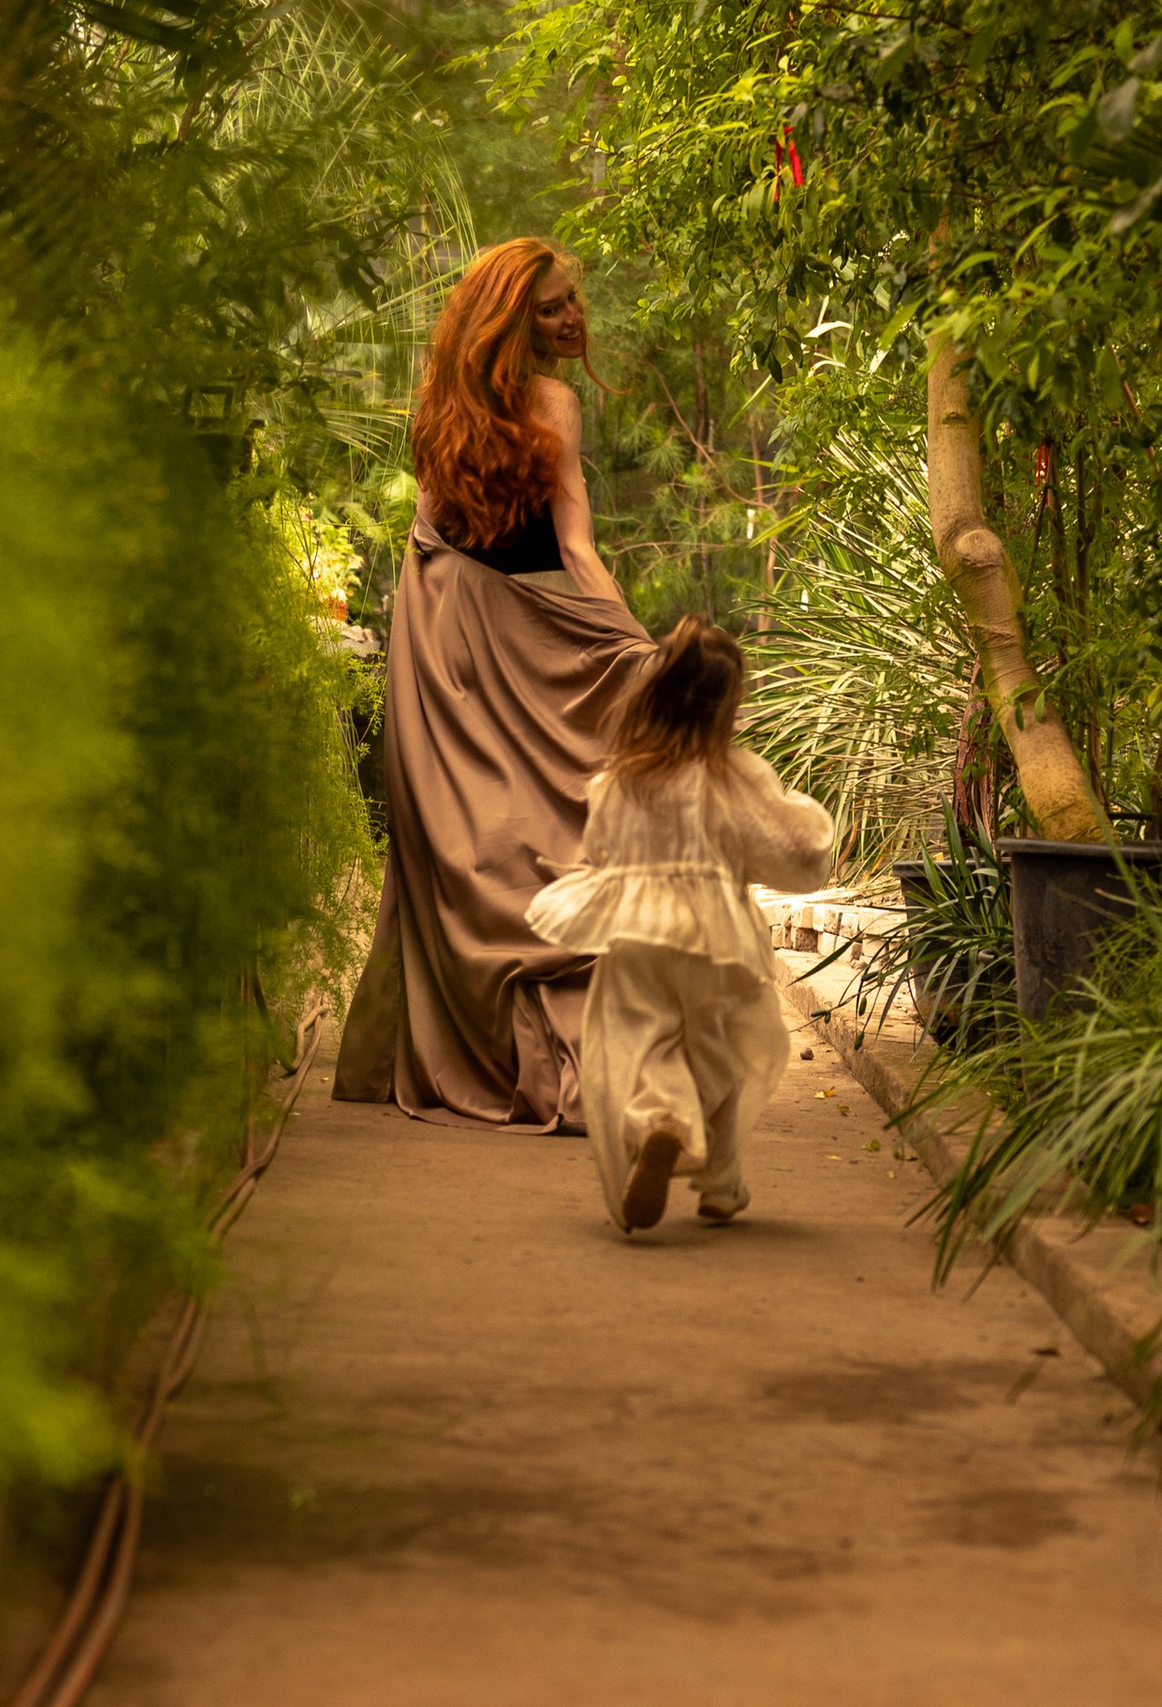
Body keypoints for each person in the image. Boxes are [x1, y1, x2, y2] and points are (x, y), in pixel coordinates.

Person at [333, 237, 649, 1128]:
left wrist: (630, 642)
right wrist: (631, 640)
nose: (573, 318)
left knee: (475, 854)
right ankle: (562, 1063)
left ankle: (520, 1056)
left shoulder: (439, 405)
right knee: (543, 844)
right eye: (551, 307)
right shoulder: (547, 401)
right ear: (511, 321)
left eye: (571, 301)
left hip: (444, 640)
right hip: (487, 645)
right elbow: (573, 548)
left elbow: (438, 546)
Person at [526, 617, 836, 1235]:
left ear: (657, 693)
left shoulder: (620, 779)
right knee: (728, 1050)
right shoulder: (733, 775)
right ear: (726, 707)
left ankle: (659, 1121)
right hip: (718, 940)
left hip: (638, 932)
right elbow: (792, 847)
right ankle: (721, 1183)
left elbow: (604, 855)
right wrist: (808, 827)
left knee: (647, 1042)